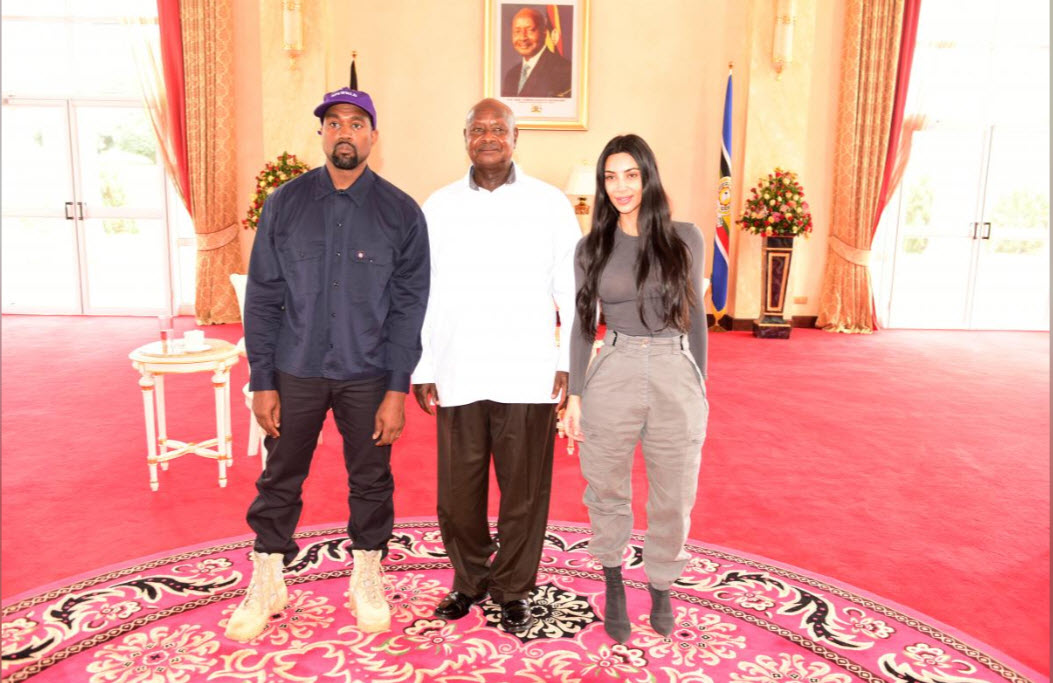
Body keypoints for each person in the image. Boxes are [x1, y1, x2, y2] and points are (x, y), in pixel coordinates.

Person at [224, 87, 430, 643]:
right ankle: (268, 575)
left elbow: (410, 308)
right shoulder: (285, 205)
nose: (345, 132)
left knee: (371, 479)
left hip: (368, 372)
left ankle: (367, 570)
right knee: (279, 476)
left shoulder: (401, 213)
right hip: (296, 368)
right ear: (321, 133)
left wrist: (395, 389)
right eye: (334, 122)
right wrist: (262, 381)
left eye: (356, 123)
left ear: (373, 137)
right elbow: (263, 297)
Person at [411, 98, 579, 633]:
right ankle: (469, 580)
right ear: (464, 138)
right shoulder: (436, 207)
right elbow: (420, 291)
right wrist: (423, 363)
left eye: (498, 129)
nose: (488, 137)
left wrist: (566, 357)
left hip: (527, 371)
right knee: (458, 495)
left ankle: (511, 587)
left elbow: (572, 289)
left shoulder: (549, 204)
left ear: (515, 137)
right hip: (459, 369)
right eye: (478, 129)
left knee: (524, 493)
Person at [562, 134, 709, 643]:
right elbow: (584, 325)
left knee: (674, 494)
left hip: (674, 368)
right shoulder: (592, 246)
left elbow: (696, 320)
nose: (621, 187)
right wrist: (574, 397)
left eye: (631, 174)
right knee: (606, 488)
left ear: (648, 175)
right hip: (615, 367)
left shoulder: (686, 237)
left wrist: (699, 386)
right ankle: (613, 578)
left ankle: (663, 583)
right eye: (610, 176)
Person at [500, 6, 572, 98]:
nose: (523, 37)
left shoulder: (564, 70)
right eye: (517, 31)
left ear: (544, 32)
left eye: (530, 30)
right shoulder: (511, 75)